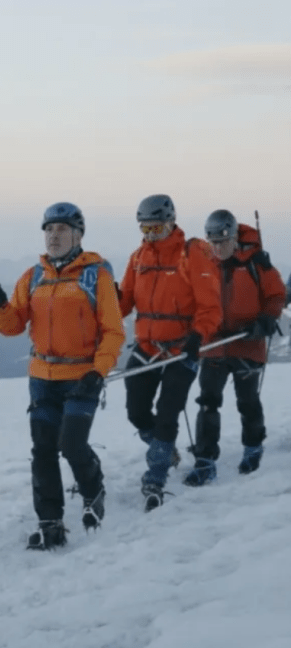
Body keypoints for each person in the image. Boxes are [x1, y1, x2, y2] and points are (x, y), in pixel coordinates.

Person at [0, 203, 125, 550]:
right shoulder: (34, 277)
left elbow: (113, 331)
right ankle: (50, 523)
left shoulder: (96, 276)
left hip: (82, 376)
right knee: (43, 450)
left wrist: (99, 370)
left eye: (62, 229)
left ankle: (94, 490)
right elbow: (13, 325)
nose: (54, 235)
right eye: (49, 229)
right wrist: (0, 309)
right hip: (42, 376)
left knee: (72, 444)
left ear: (78, 235)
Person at [118, 194, 221, 512]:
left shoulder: (193, 254)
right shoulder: (138, 258)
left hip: (181, 348)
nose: (150, 235)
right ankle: (165, 448)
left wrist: (197, 337)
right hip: (147, 346)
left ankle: (156, 474)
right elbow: (124, 304)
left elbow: (210, 305)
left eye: (157, 228)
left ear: (171, 222)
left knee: (168, 411)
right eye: (145, 229)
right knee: (136, 410)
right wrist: (108, 298)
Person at [183, 210, 286, 485]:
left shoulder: (256, 262)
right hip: (215, 345)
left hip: (247, 343)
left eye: (223, 242)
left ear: (234, 238)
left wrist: (265, 320)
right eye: (213, 242)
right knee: (208, 402)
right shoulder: (204, 265)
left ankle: (253, 447)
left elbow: (276, 295)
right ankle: (205, 460)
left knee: (247, 401)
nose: (218, 248)